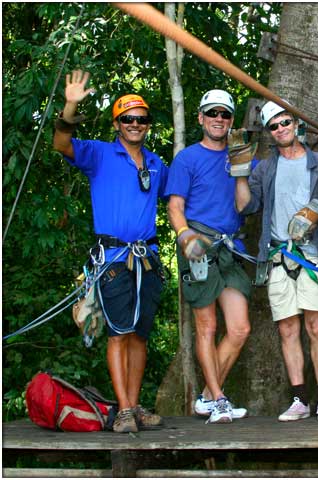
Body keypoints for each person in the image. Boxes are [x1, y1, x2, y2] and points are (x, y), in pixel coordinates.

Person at [53, 70, 168, 433]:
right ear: (117, 123)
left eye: (141, 118)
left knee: (139, 336)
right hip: (115, 260)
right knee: (118, 333)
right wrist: (71, 104)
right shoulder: (100, 154)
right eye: (128, 119)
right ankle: (123, 410)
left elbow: (179, 200)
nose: (135, 124)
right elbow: (61, 144)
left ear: (148, 124)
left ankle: (132, 407)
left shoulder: (156, 164)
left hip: (146, 259)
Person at [235, 100, 318, 422]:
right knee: (287, 329)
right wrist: (239, 171)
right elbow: (246, 207)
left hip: (314, 255)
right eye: (274, 126)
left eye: (285, 122)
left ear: (296, 124)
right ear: (270, 134)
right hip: (278, 255)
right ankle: (300, 400)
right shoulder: (266, 168)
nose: (281, 129)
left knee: (316, 325)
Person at [165, 89, 253, 424]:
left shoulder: (240, 156)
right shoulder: (188, 158)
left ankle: (206, 397)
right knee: (207, 325)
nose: (219, 119)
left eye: (225, 114)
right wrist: (185, 236)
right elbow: (175, 207)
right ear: (201, 118)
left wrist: (242, 166)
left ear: (231, 122)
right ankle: (218, 399)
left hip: (230, 248)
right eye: (212, 113)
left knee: (240, 328)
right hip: (198, 244)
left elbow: (248, 202)